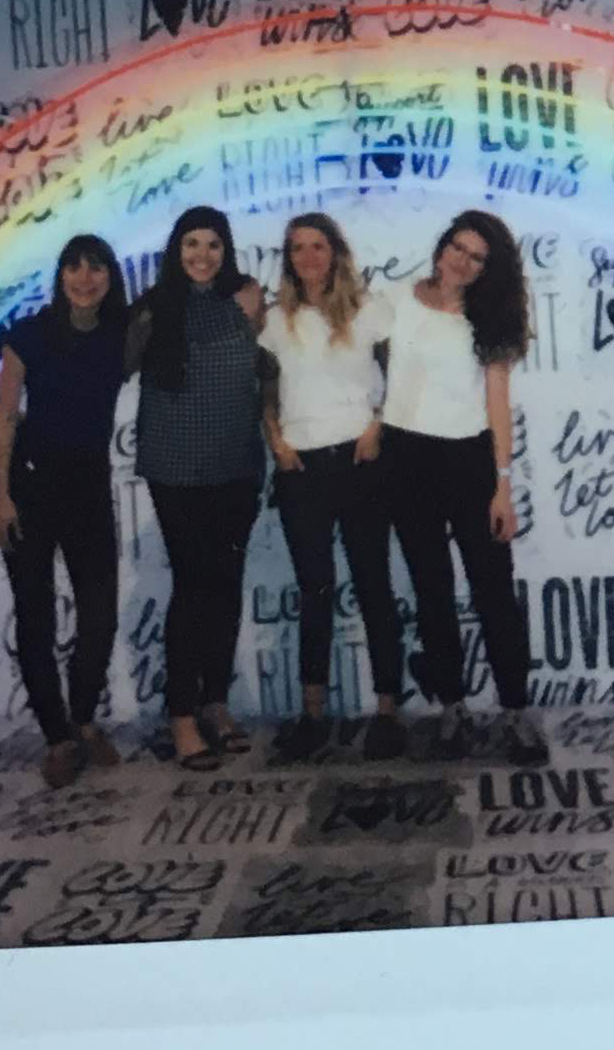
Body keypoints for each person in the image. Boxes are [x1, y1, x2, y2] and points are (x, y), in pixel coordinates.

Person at [384, 209, 545, 767]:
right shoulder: (395, 301)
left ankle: (517, 713)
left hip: (471, 460)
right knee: (431, 591)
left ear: (488, 268)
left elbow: (498, 403)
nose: (463, 261)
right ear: (442, 245)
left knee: (494, 593)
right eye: (459, 247)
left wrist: (502, 484)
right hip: (405, 457)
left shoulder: (489, 318)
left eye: (477, 257)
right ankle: (451, 709)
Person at [258, 213, 406, 763]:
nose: (308, 257)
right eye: (297, 248)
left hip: (362, 459)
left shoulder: (371, 311)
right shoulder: (275, 321)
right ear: (289, 258)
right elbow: (266, 391)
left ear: (336, 252)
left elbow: (402, 378)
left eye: (318, 246)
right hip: (302, 467)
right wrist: (276, 441)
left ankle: (388, 710)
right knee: (314, 590)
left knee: (372, 583)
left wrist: (378, 426)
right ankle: (312, 712)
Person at [0, 233, 129, 788]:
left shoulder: (121, 335)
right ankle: (58, 737)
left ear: (110, 277)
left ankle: (85, 719)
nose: (85, 278)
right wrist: (1, 495)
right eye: (74, 268)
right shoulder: (28, 335)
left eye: (95, 269)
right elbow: (4, 417)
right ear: (60, 275)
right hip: (31, 484)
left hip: (88, 484)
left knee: (100, 613)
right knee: (35, 615)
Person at [126, 205, 269, 770]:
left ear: (226, 249)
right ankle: (181, 715)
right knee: (192, 588)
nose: (202, 256)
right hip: (177, 468)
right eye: (191, 244)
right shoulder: (153, 308)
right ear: (175, 250)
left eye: (213, 244)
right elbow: (117, 366)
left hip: (237, 463)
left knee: (227, 585)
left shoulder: (248, 299)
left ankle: (215, 703)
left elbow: (267, 368)